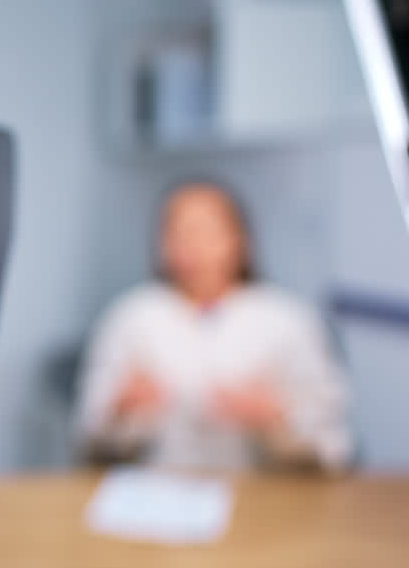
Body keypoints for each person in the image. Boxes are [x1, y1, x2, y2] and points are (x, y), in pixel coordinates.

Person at [75, 182, 351, 473]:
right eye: (177, 231)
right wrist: (122, 412)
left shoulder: (288, 319)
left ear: (240, 239)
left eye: (205, 230)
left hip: (264, 494)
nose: (191, 244)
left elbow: (333, 444)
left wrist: (276, 418)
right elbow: (87, 440)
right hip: (159, 490)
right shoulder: (131, 316)